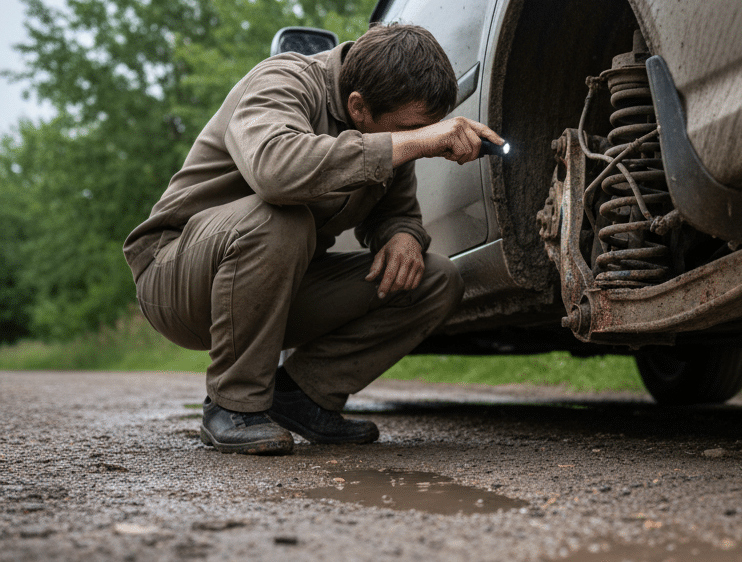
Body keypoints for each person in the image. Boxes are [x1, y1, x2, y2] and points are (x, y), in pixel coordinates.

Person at [123, 24, 502, 455]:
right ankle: (233, 405)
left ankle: (303, 396)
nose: (423, 139)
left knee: (435, 278)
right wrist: (411, 141)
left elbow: (395, 211)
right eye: (412, 129)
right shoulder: (283, 80)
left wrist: (402, 236)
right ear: (358, 107)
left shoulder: (386, 121)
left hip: (276, 286)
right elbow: (275, 173)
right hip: (177, 280)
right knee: (281, 219)